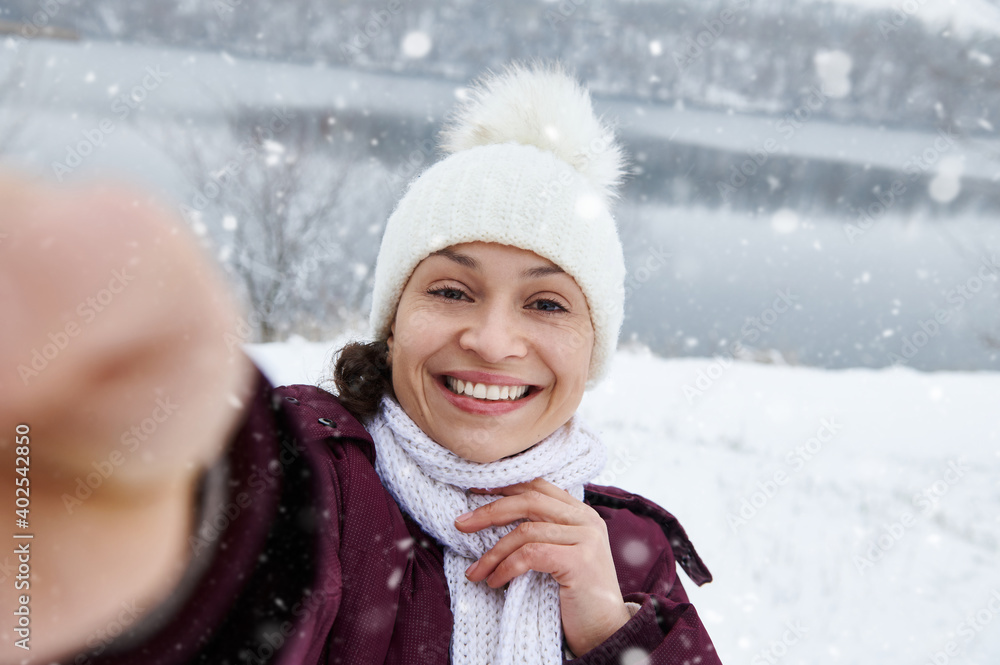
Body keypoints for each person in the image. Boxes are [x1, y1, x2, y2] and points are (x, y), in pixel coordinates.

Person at [0, 62, 721, 664]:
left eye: (547, 305)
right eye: (451, 290)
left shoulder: (628, 553)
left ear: (593, 347)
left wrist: (609, 630)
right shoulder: (315, 475)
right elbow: (216, 584)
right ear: (393, 321)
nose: (493, 340)